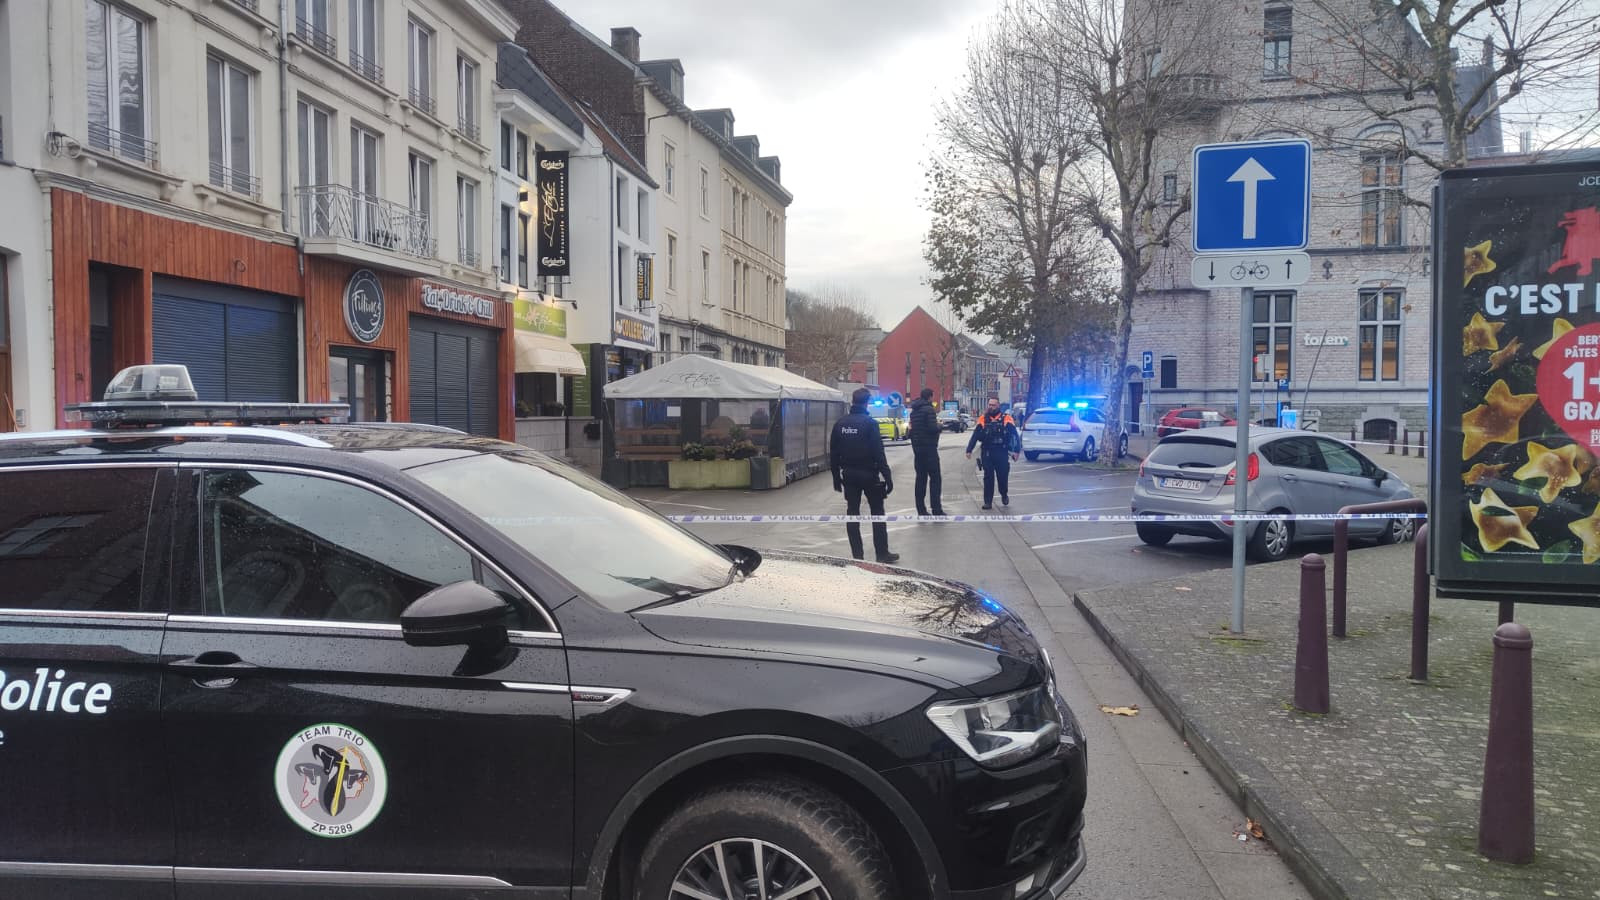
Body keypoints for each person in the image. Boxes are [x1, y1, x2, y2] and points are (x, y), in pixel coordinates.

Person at [830, 387, 899, 563]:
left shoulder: (840, 424)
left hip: (849, 475)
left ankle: (858, 556)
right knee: (877, 512)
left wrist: (836, 478)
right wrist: (887, 476)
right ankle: (882, 553)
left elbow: (833, 453)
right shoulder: (870, 424)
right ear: (867, 403)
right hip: (869, 474)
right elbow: (878, 452)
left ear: (853, 401)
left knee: (852, 513)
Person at [966, 398, 1020, 510]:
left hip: (1001, 451)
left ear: (998, 406)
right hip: (987, 452)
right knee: (988, 477)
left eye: (993, 405)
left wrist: (1016, 450)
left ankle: (1004, 494)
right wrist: (969, 449)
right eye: (990, 405)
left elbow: (1014, 435)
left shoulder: (1006, 418)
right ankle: (988, 502)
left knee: (1002, 476)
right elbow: (975, 435)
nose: (991, 407)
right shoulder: (983, 419)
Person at [907, 388, 945, 517]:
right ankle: (936, 509)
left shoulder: (914, 411)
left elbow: (912, 430)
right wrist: (940, 426)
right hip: (929, 449)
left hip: (918, 450)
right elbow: (932, 428)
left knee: (920, 479)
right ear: (930, 397)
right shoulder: (929, 410)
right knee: (935, 479)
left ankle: (921, 509)